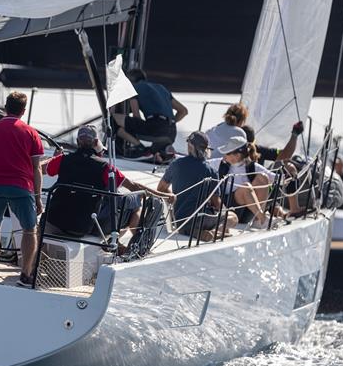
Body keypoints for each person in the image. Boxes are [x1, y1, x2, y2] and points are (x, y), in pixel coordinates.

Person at [42, 125, 174, 241]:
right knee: (135, 201)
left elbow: (38, 169)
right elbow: (134, 186)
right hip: (80, 227)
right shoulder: (105, 167)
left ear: (77, 142)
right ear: (96, 142)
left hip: (54, 220)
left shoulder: (62, 160)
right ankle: (127, 246)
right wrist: (162, 194)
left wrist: (52, 158)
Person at [0, 91, 44, 286]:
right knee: (29, 230)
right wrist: (38, 197)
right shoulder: (31, 132)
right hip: (20, 187)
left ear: (5, 108)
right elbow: (36, 168)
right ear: (23, 111)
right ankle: (25, 274)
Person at [157, 132, 237, 241]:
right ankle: (213, 232)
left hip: (180, 220)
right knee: (233, 218)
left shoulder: (176, 164)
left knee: (191, 222)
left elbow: (161, 188)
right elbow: (217, 203)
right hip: (201, 219)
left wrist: (173, 198)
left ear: (190, 146)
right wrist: (226, 211)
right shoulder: (211, 171)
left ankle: (196, 231)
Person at [208, 131, 280, 228]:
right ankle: (263, 219)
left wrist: (288, 174)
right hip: (228, 209)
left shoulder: (253, 167)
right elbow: (203, 164)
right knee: (246, 187)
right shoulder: (219, 163)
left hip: (246, 211)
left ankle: (258, 220)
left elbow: (277, 178)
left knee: (263, 177)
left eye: (227, 153)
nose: (224, 156)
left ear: (237, 155)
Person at [111, 68, 188, 159]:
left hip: (155, 128)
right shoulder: (161, 88)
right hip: (171, 132)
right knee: (157, 147)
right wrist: (169, 124)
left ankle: (140, 148)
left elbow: (136, 116)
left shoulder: (133, 88)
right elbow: (183, 111)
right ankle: (161, 152)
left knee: (111, 120)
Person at [206, 101, 303, 161]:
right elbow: (285, 155)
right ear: (242, 121)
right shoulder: (245, 141)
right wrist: (294, 135)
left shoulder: (211, 131)